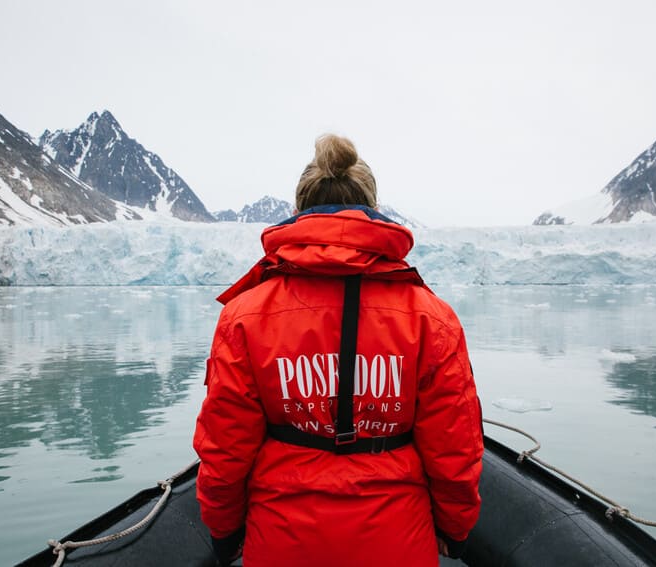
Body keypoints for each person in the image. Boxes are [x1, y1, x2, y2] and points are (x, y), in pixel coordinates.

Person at [193, 134, 483, 566]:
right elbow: (454, 450)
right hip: (397, 541)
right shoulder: (431, 318)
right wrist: (454, 530)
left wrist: (225, 530)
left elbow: (225, 450)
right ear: (376, 211)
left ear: (297, 212)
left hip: (282, 540)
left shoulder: (245, 316)